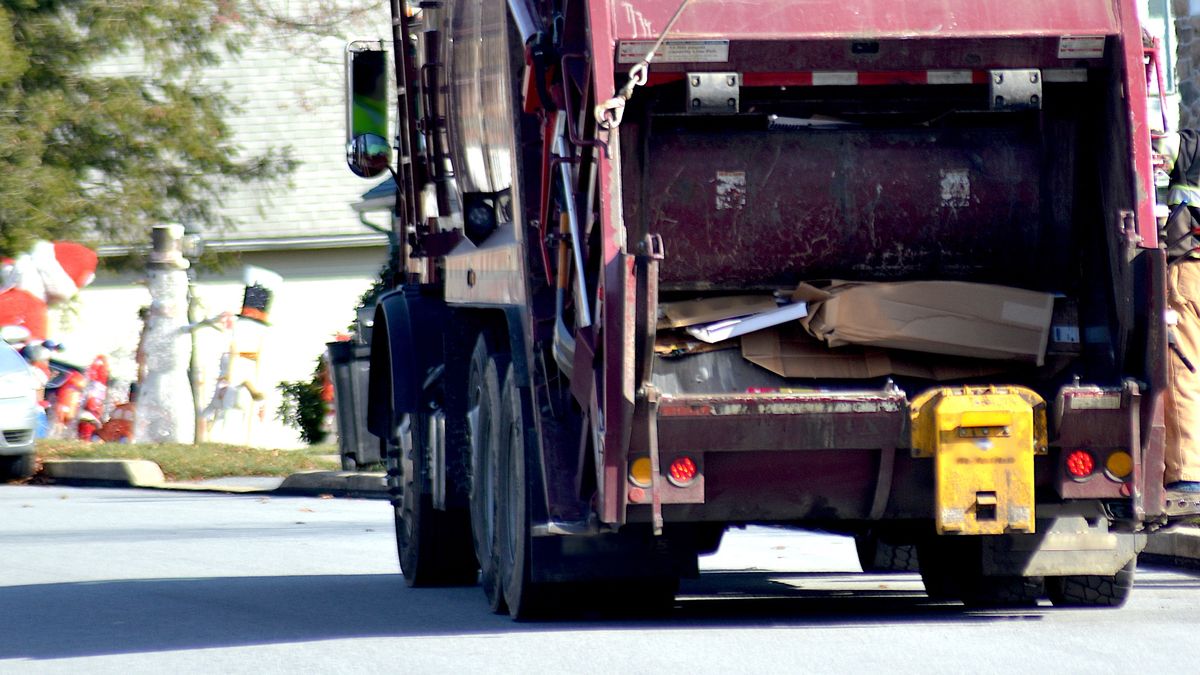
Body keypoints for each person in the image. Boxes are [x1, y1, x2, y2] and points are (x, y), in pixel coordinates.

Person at [1157, 129, 1200, 507]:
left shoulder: (1193, 143)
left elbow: (1161, 148)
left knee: (1184, 370)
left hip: (1192, 268)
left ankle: (1187, 474)